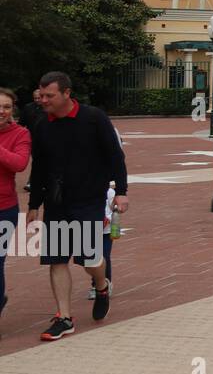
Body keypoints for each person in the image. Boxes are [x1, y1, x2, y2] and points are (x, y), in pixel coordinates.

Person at [26, 72, 128, 341]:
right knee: (57, 259)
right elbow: (39, 168)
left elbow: (115, 156)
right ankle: (64, 317)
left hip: (89, 199)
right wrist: (34, 204)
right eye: (42, 95)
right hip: (57, 202)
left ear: (66, 93)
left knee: (89, 259)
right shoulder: (42, 125)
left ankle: (101, 284)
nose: (43, 100)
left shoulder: (94, 118)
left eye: (50, 95)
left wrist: (122, 192)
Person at [0, 88, 33, 324]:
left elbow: (19, 164)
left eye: (6, 107)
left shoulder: (20, 134)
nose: (1, 111)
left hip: (3, 209)